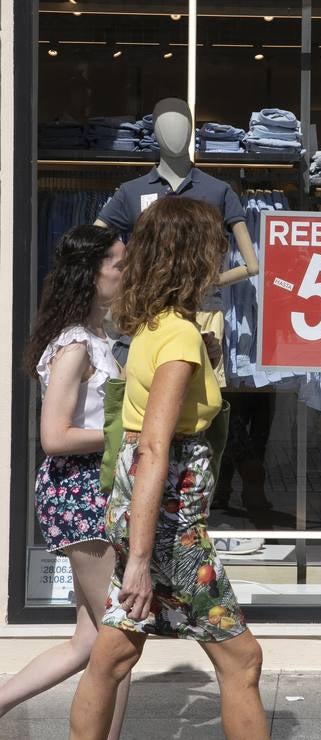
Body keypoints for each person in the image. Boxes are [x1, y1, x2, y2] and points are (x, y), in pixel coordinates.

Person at [69, 197, 269, 740]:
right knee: (241, 661)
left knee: (111, 656)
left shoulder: (156, 326)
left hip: (146, 518)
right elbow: (155, 447)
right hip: (170, 530)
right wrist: (138, 559)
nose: (220, 258)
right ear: (193, 259)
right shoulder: (177, 337)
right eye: (214, 249)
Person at [0, 225, 129, 740]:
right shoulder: (77, 344)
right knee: (119, 644)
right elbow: (54, 436)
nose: (127, 271)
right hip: (81, 494)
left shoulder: (96, 337)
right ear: (91, 272)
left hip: (87, 493)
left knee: (88, 641)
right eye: (119, 264)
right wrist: (125, 433)